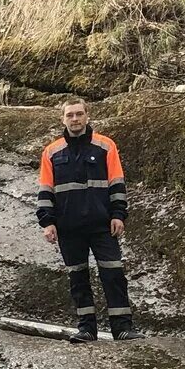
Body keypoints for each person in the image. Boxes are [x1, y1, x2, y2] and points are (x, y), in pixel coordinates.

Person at [35, 99, 138, 342]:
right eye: (70, 115)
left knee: (113, 275)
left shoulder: (105, 146)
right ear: (63, 119)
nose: (75, 119)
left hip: (102, 225)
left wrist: (118, 215)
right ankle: (87, 329)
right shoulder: (51, 151)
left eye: (79, 114)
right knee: (78, 278)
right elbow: (45, 190)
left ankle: (122, 328)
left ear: (87, 116)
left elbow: (117, 184)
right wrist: (47, 222)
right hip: (69, 228)